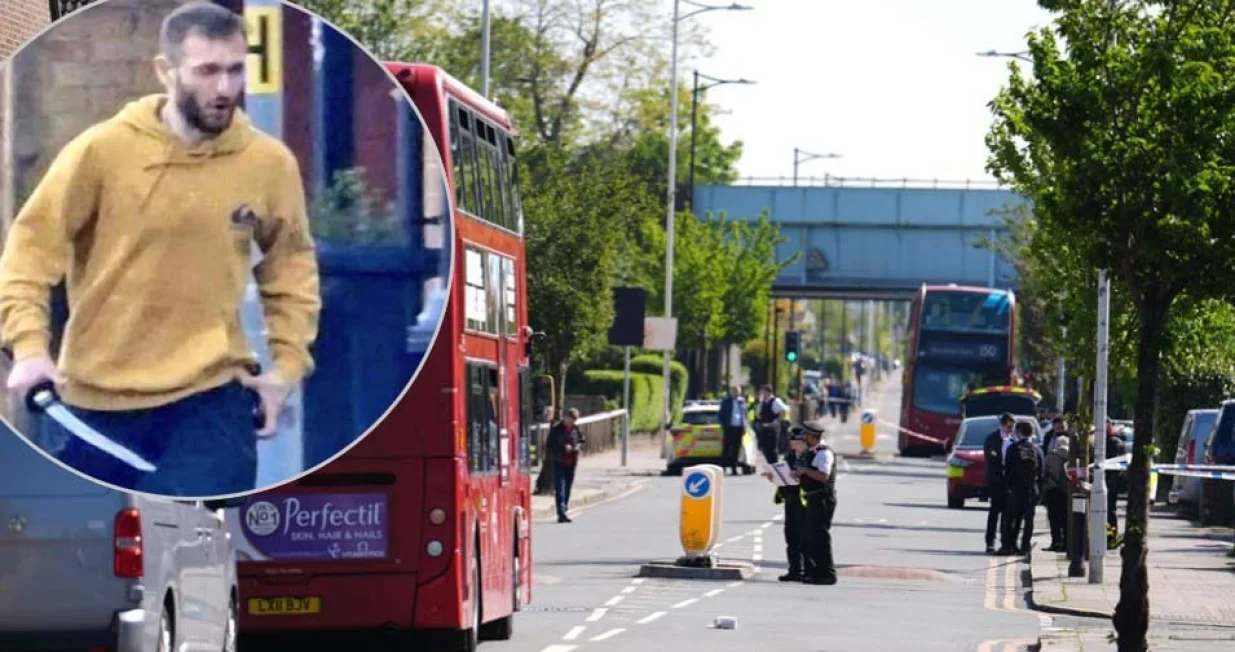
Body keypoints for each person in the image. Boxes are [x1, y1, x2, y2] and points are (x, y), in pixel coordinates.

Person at [0, 2, 320, 497]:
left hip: (210, 400)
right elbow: (30, 248)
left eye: (235, 70)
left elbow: (290, 267)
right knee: (92, 563)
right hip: (94, 402)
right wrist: (28, 347)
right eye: (207, 71)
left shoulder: (267, 164)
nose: (224, 89)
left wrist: (285, 372)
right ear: (165, 72)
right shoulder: (102, 151)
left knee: (187, 549)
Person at [793, 419, 838, 585]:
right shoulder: (812, 452)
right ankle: (815, 572)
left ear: (812, 436)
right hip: (813, 497)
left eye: (806, 434)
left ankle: (827, 573)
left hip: (823, 499)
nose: (803, 437)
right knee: (811, 537)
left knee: (821, 537)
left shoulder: (824, 453)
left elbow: (823, 476)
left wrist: (805, 471)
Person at [766, 428, 809, 582]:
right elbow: (784, 477)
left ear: (805, 442)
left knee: (804, 537)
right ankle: (794, 570)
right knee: (791, 537)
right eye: (792, 442)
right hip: (790, 500)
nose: (794, 446)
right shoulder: (789, 456)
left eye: (797, 443)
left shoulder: (810, 457)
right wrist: (774, 477)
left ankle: (806, 570)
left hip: (805, 502)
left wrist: (800, 476)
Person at [1002, 421, 1044, 556]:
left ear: (1019, 432)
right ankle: (1025, 546)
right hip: (1031, 489)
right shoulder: (1037, 450)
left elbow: (1008, 470)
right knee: (1029, 520)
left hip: (1016, 489)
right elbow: (1042, 471)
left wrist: (1007, 488)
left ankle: (1009, 545)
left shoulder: (1013, 448)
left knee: (1011, 518)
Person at [982, 413, 1016, 554]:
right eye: (1009, 426)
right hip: (996, 481)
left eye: (1012, 427)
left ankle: (1006, 543)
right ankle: (990, 542)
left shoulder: (1013, 440)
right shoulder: (992, 438)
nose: (1010, 429)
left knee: (1008, 514)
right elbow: (990, 457)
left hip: (1010, 482)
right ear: (1002, 425)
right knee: (994, 512)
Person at [547, 408, 585, 523]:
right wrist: (563, 447)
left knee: (568, 487)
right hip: (559, 461)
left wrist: (575, 447)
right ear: (564, 417)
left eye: (573, 420)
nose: (570, 422)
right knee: (560, 488)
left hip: (571, 462)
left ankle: (564, 508)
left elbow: (581, 441)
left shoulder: (575, 429)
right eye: (569, 419)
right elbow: (549, 445)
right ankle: (561, 512)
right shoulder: (556, 430)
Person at [1041, 434, 1071, 552]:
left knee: (1054, 519)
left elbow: (1043, 473)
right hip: (1066, 491)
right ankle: (1066, 543)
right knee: (1065, 518)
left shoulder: (1050, 456)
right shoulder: (1072, 457)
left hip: (1052, 490)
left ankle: (1056, 542)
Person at [718, 385, 748, 475]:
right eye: (734, 391)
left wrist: (744, 426)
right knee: (726, 449)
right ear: (730, 392)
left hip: (738, 428)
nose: (736, 393)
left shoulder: (742, 402)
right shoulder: (726, 401)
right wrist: (724, 425)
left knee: (736, 449)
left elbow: (745, 415)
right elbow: (721, 415)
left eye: (737, 391)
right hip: (729, 427)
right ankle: (723, 468)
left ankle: (734, 469)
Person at [755, 384, 787, 465]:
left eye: (763, 391)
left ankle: (775, 466)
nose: (761, 393)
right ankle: (770, 465)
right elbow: (759, 413)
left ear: (768, 392)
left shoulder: (775, 401)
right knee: (765, 449)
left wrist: (777, 421)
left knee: (772, 449)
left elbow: (783, 410)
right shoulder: (762, 402)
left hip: (772, 428)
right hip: (764, 428)